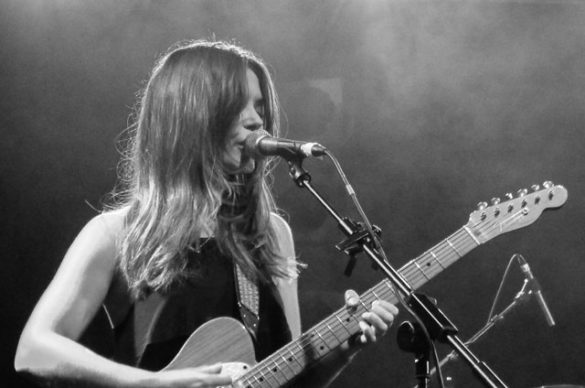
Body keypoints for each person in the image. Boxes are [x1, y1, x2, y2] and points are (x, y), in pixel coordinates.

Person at [14, 39, 398, 387]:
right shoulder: (117, 233)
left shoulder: (270, 233)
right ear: (189, 115)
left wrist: (345, 348)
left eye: (260, 108)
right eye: (239, 107)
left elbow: (286, 378)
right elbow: (34, 350)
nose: (256, 121)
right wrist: (154, 384)